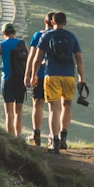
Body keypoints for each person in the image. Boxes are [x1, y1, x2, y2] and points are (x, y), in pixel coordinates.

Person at [26, 11, 85, 152]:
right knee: (67, 105)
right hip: (69, 76)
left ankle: (55, 141)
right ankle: (64, 137)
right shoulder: (71, 37)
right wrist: (81, 78)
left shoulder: (46, 35)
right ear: (66, 22)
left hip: (51, 75)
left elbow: (37, 58)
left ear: (52, 22)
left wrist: (33, 74)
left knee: (54, 108)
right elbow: (79, 60)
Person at [0, 23, 28, 136]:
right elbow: (29, 60)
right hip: (20, 79)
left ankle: (11, 140)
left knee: (9, 113)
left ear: (3, 33)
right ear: (14, 32)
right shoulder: (23, 44)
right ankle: (19, 138)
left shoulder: (1, 45)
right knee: (19, 112)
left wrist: (5, 68)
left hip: (7, 79)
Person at [27, 11, 55, 147]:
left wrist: (28, 74)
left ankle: (36, 133)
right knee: (53, 107)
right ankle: (53, 136)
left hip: (40, 75)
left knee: (37, 104)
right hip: (55, 75)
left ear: (46, 22)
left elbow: (32, 56)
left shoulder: (38, 35)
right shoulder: (60, 36)